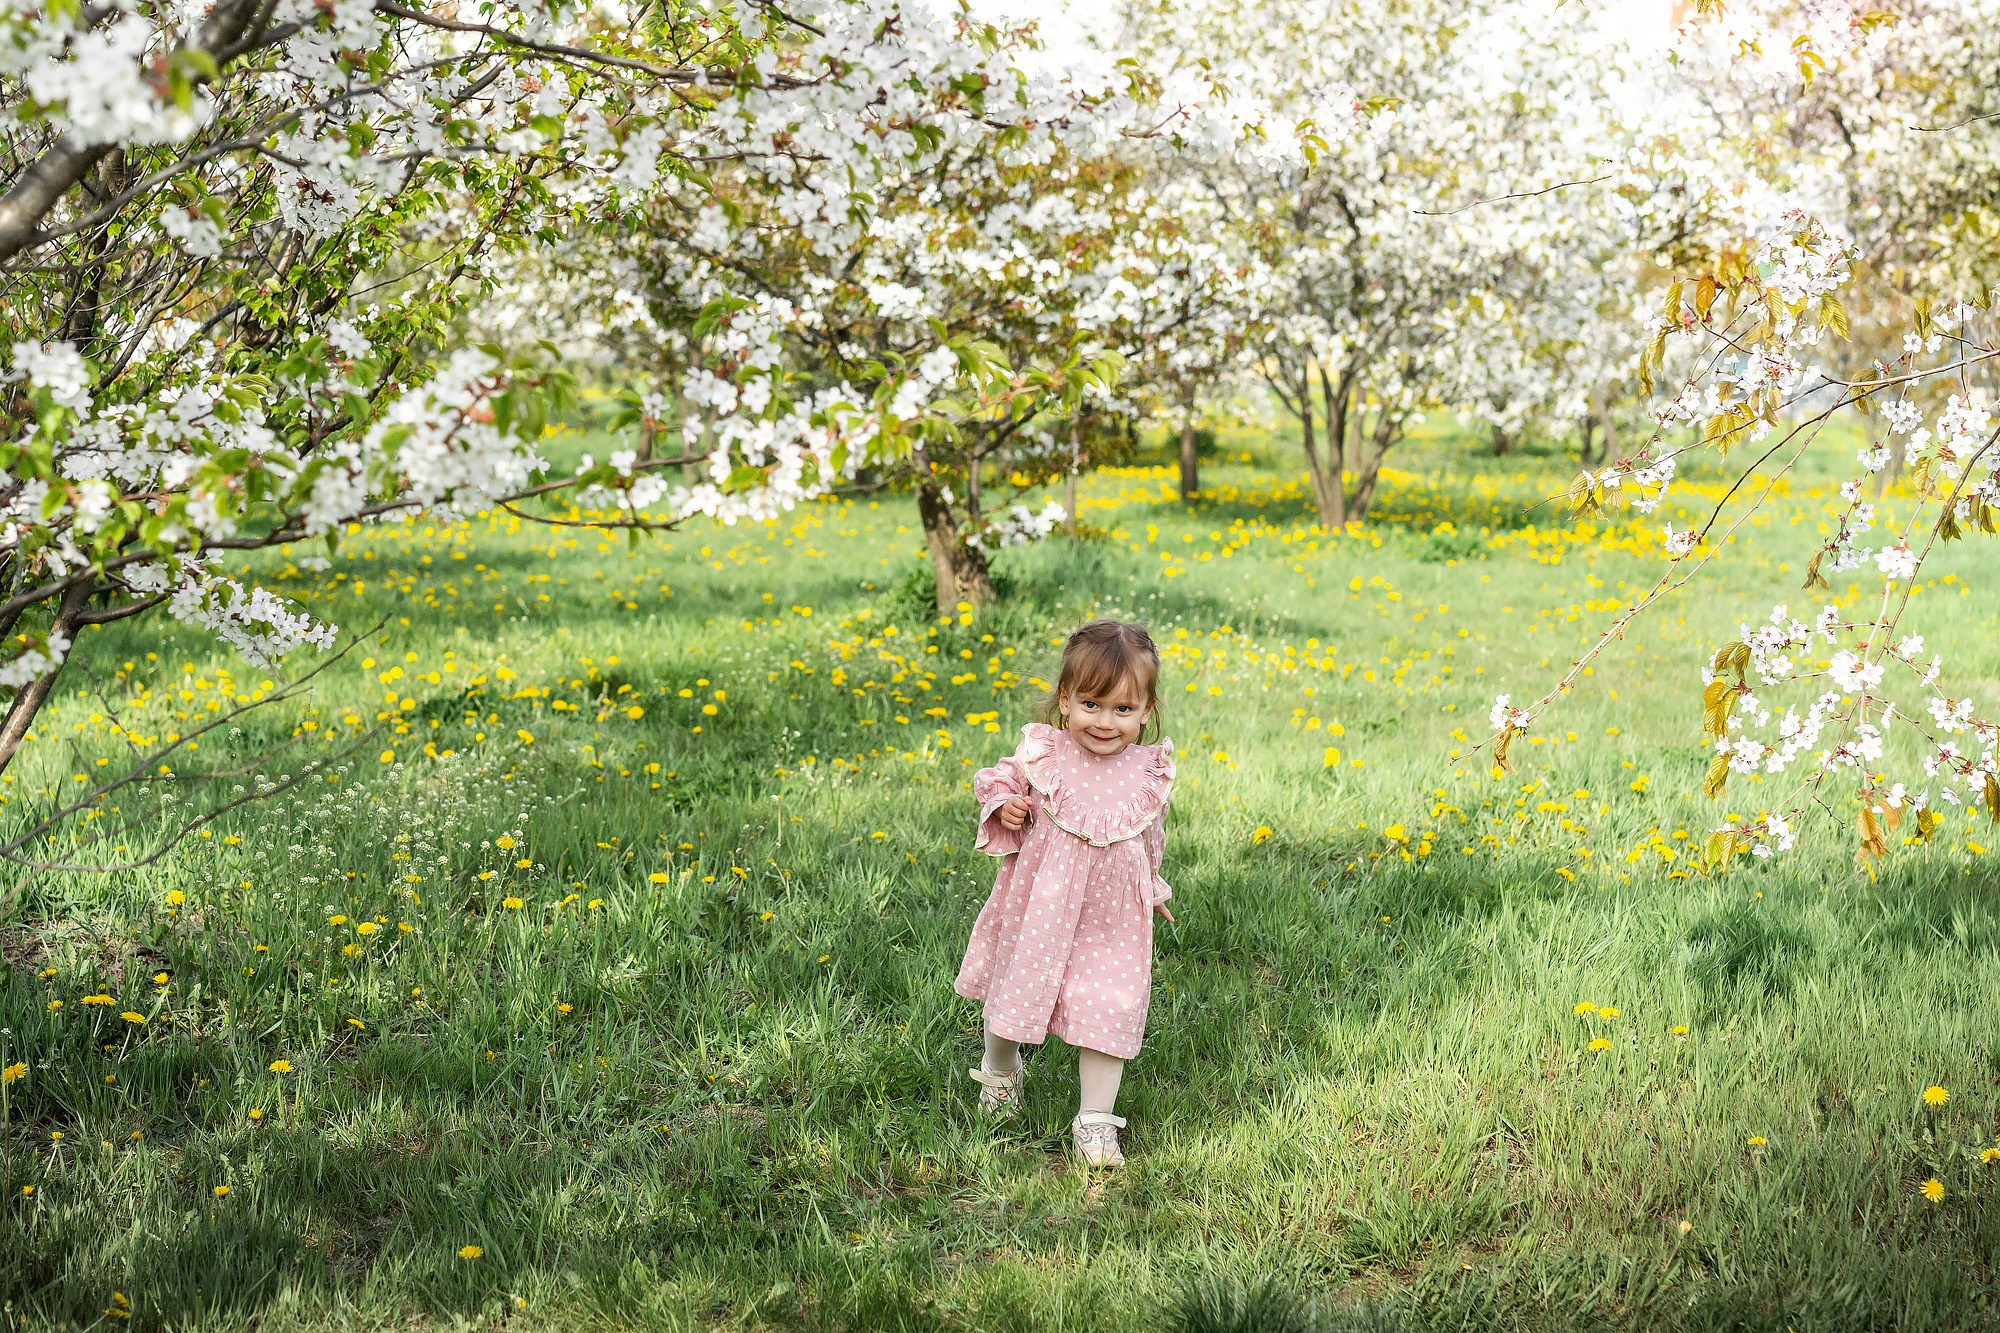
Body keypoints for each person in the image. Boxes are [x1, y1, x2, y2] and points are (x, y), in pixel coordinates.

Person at [954, 618, 1176, 1168]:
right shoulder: (1043, 755)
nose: (1105, 722)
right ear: (1065, 701)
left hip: (1114, 917)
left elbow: (1150, 836)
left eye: (1123, 709)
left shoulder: (1147, 770)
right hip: (1042, 909)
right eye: (1091, 705)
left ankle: (1097, 1120)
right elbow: (999, 779)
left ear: (1146, 710)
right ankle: (1000, 1073)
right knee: (1014, 995)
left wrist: (1152, 887)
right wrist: (1005, 806)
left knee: (1110, 1003)